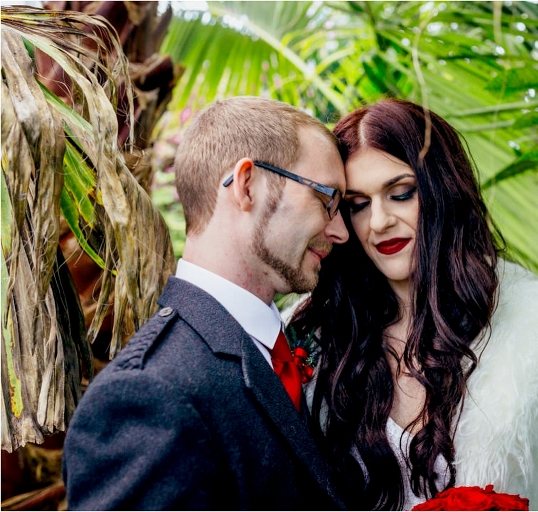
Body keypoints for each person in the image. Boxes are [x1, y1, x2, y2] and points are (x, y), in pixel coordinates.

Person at [286, 99, 538, 510]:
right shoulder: (316, 333)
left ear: (442, 192)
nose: (379, 221)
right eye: (358, 205)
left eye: (401, 194)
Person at [62, 97, 349, 510]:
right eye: (327, 199)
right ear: (248, 184)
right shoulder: (146, 395)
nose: (339, 230)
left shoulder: (284, 348)